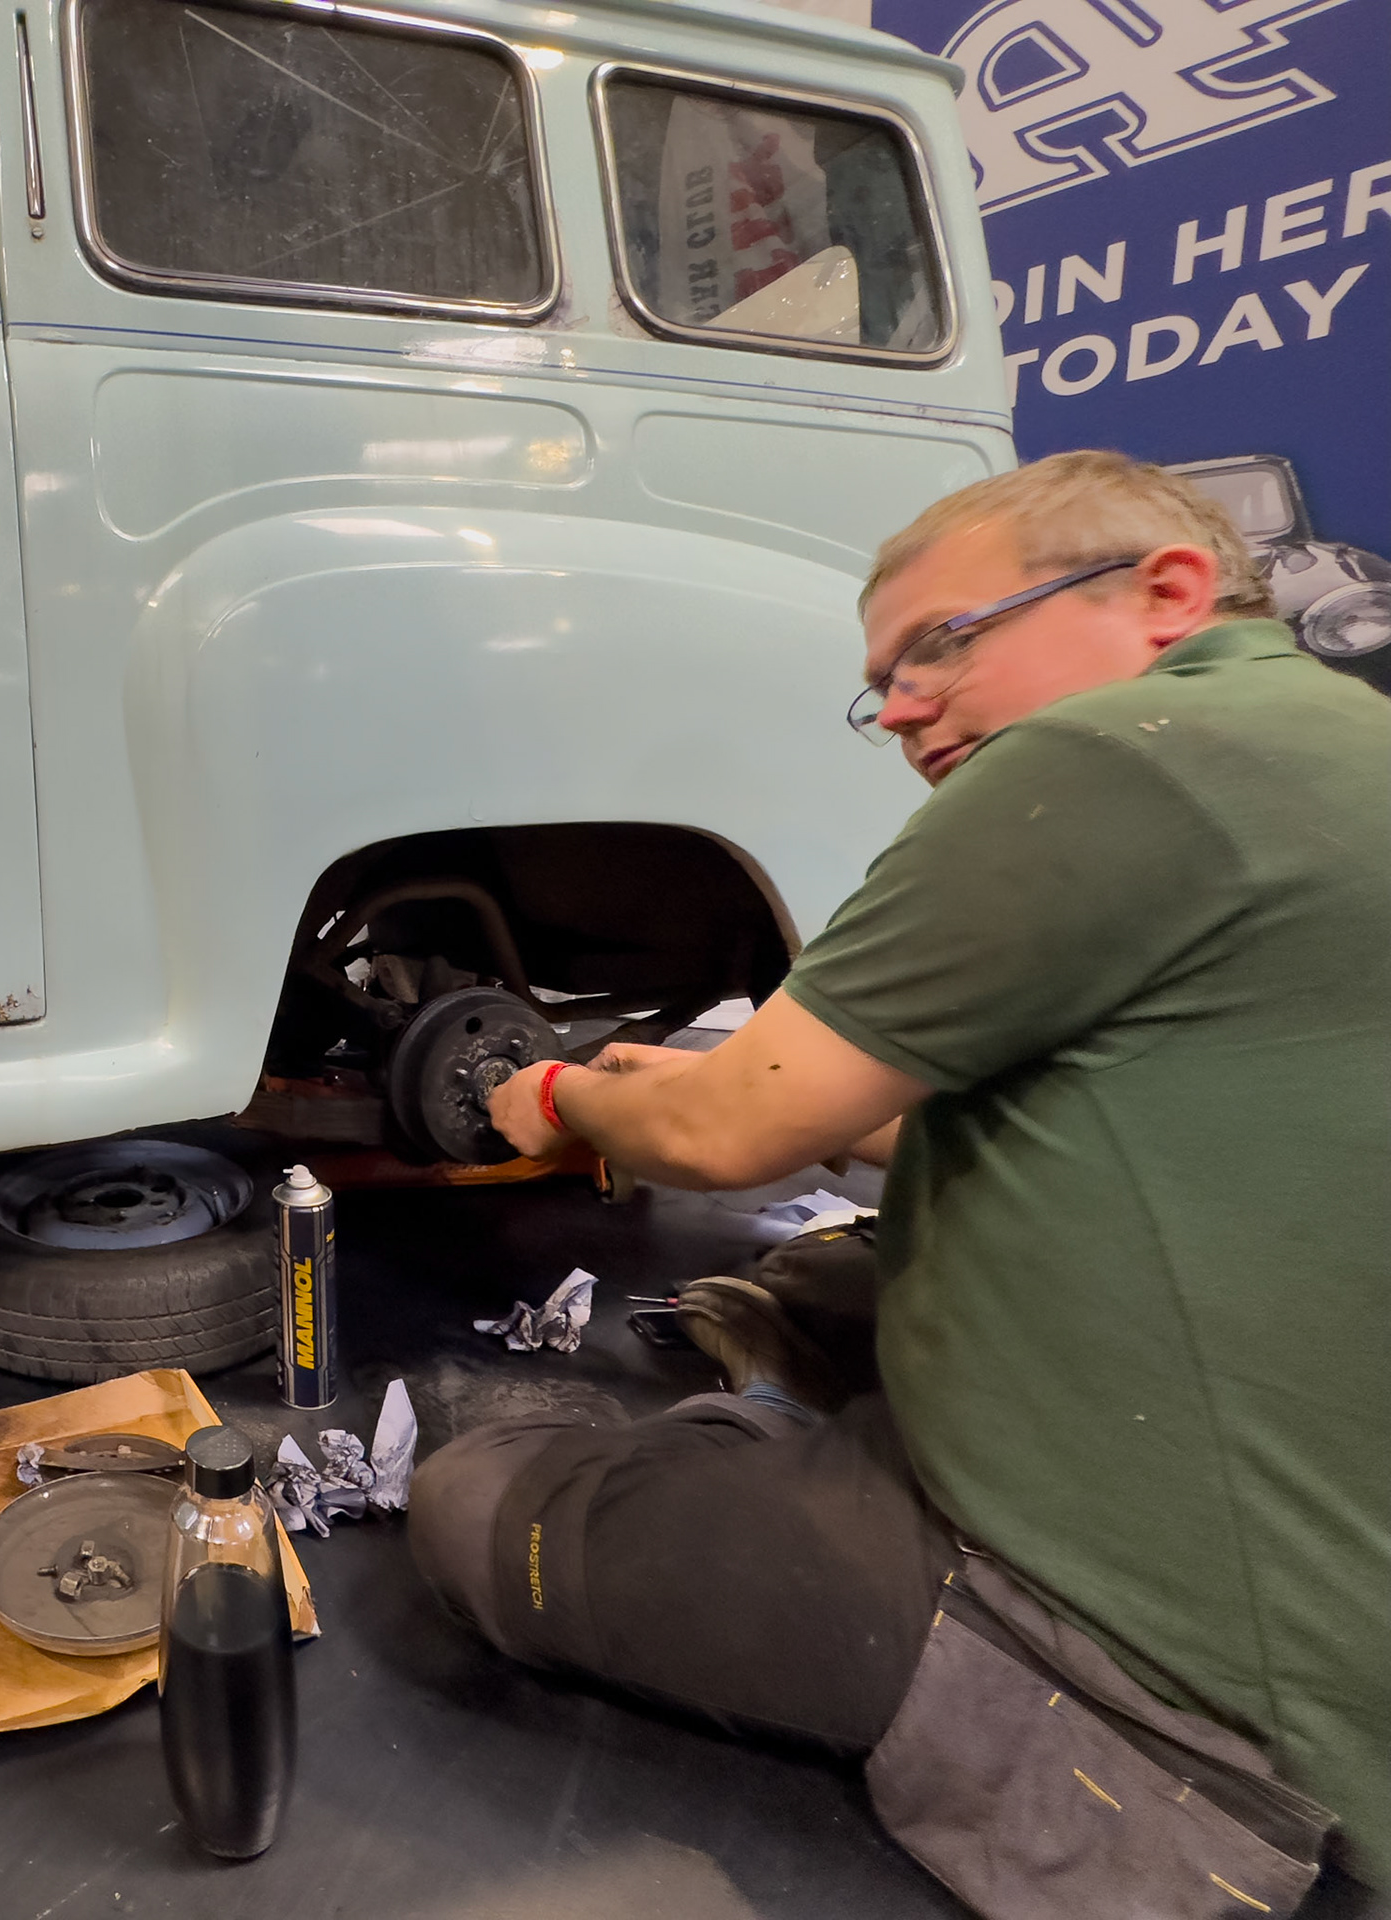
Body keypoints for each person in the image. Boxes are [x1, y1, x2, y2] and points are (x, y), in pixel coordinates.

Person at [407, 451, 1390, 1894]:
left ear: (1168, 592)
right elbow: (1052, 1107)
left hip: (1196, 1651)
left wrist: (554, 1094)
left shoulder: (1112, 755)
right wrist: (704, 1089)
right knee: (805, 1281)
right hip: (1314, 1442)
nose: (908, 708)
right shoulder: (1326, 741)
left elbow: (725, 1141)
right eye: (884, 685)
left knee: (478, 1501)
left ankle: (814, 1481)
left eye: (945, 643)